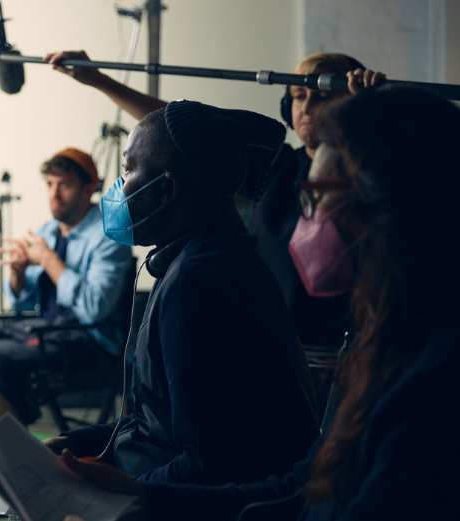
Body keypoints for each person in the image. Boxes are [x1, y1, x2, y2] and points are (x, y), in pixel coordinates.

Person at [61, 85, 460, 520]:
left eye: (313, 199)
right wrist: (140, 496)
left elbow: (222, 464)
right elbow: (301, 490)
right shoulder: (380, 343)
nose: (301, 222)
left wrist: (135, 503)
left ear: (383, 208)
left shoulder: (434, 382)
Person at [46, 101, 319, 488]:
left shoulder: (199, 284)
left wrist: (125, 495)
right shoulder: (203, 257)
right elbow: (157, 421)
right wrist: (70, 444)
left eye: (128, 169)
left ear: (167, 189)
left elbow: (213, 466)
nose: (118, 188)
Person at [44, 51, 384, 351]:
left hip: (345, 357)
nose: (307, 108)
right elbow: (177, 130)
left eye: (322, 97)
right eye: (298, 96)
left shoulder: (373, 175)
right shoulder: (275, 168)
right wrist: (99, 80)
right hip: (270, 347)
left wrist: (374, 110)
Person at [0, 148, 134, 424]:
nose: (54, 194)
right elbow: (23, 303)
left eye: (64, 185)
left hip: (88, 343)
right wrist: (18, 274)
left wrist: (48, 259)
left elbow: (95, 307)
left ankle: (13, 450)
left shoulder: (109, 236)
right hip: (44, 332)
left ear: (88, 190)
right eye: (49, 184)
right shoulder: (48, 231)